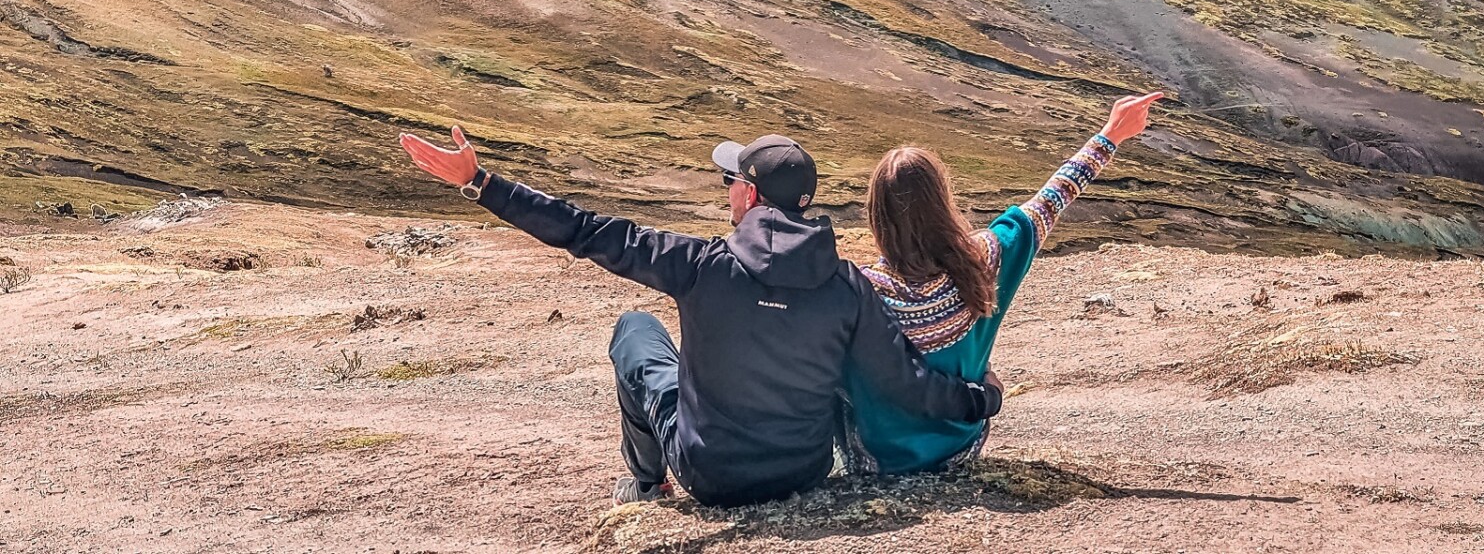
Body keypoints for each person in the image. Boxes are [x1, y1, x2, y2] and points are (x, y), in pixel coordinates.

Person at [397, 128, 1005, 508]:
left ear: (750, 195)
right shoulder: (847, 286)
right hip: (806, 471)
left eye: (729, 180)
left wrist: (481, 182)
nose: (726, 190)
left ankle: (646, 483)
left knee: (635, 331)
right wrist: (981, 400)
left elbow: (583, 232)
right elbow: (905, 384)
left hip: (709, 476)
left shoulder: (698, 265)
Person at [838, 92, 1163, 474]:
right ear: (944, 201)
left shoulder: (857, 289)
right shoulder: (985, 260)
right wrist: (1110, 135)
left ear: (878, 214)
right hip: (961, 444)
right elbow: (1053, 198)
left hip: (876, 457)